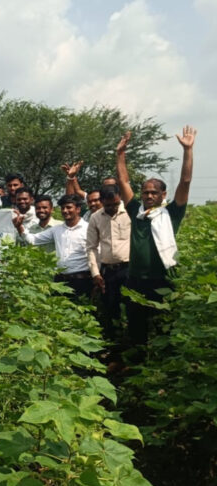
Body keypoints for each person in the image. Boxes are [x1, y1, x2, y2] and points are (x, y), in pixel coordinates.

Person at [116, 126, 195, 344]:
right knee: (136, 327)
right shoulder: (136, 212)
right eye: (145, 192)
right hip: (136, 280)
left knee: (163, 327)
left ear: (163, 195)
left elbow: (185, 182)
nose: (149, 195)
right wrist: (120, 154)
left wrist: (187, 150)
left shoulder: (171, 213)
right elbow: (123, 182)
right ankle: (136, 364)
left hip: (162, 280)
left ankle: (162, 372)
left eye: (154, 192)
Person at [14, 194, 91, 297]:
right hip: (60, 281)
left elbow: (96, 253)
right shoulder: (57, 229)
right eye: (63, 208)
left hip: (82, 280)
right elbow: (33, 240)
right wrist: (19, 227)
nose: (65, 211)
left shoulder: (88, 228)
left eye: (69, 207)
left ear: (78, 209)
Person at [86, 184, 131, 339]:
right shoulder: (96, 217)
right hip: (108, 271)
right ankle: (115, 347)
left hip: (129, 269)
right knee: (111, 309)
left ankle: (133, 347)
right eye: (108, 205)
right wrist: (95, 274)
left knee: (133, 308)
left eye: (116, 204)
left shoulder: (130, 212)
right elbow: (91, 247)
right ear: (102, 202)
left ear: (120, 198)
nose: (112, 208)